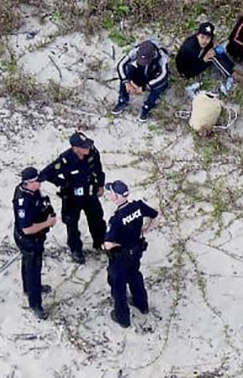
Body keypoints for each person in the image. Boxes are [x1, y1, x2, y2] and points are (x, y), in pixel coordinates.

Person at [38, 132, 106, 264]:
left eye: (88, 145)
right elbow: (46, 174)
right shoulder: (65, 159)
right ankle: (76, 250)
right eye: (84, 146)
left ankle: (101, 243)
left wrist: (100, 185)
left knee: (97, 218)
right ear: (75, 148)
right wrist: (63, 183)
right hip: (72, 196)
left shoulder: (93, 153)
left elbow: (98, 169)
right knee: (71, 223)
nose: (88, 148)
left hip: (89, 191)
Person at [102, 180, 160, 328]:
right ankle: (142, 304)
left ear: (116, 197)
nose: (108, 195)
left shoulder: (116, 219)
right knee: (134, 275)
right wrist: (144, 231)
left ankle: (122, 318)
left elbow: (108, 243)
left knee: (118, 286)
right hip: (137, 250)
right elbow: (156, 216)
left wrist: (115, 245)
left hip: (121, 257)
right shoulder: (138, 206)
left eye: (110, 193)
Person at [13, 167, 58, 320]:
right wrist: (47, 223)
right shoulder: (23, 202)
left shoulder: (33, 192)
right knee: (33, 270)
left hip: (35, 237)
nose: (40, 183)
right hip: (29, 240)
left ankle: (28, 288)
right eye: (37, 181)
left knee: (27, 263)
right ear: (28, 183)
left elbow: (40, 202)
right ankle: (35, 304)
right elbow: (27, 229)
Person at [112, 38, 171, 122]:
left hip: (153, 76)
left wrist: (145, 87)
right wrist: (126, 82)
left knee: (161, 84)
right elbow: (121, 65)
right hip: (141, 73)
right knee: (128, 70)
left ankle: (147, 107)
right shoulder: (136, 50)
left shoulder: (162, 57)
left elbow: (163, 75)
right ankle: (123, 100)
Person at [175, 22, 236, 96]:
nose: (204, 41)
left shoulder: (200, 42)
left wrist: (211, 50)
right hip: (187, 71)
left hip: (195, 60)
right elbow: (193, 70)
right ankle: (231, 74)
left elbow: (210, 45)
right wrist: (204, 60)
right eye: (202, 37)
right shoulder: (191, 49)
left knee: (216, 52)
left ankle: (231, 68)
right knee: (213, 57)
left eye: (208, 38)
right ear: (198, 35)